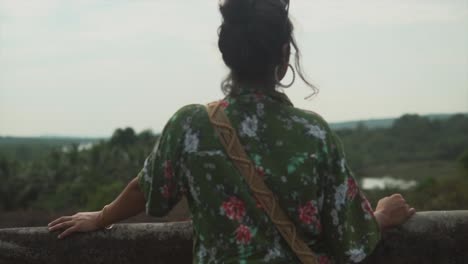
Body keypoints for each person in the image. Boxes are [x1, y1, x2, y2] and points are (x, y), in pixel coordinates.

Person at [48, 0, 416, 263]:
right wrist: (382, 216)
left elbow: (147, 189)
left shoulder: (190, 125)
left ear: (226, 52)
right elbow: (348, 234)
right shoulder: (313, 133)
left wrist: (100, 218)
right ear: (284, 54)